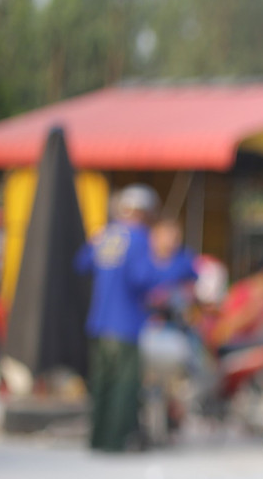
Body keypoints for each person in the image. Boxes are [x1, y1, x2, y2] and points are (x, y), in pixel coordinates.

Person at [75, 184, 196, 451]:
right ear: (145, 212)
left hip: (98, 324)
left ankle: (97, 440)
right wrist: (177, 269)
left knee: (102, 385)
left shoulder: (107, 234)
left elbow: (82, 263)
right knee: (124, 387)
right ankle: (115, 443)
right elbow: (142, 278)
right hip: (125, 325)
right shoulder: (139, 238)